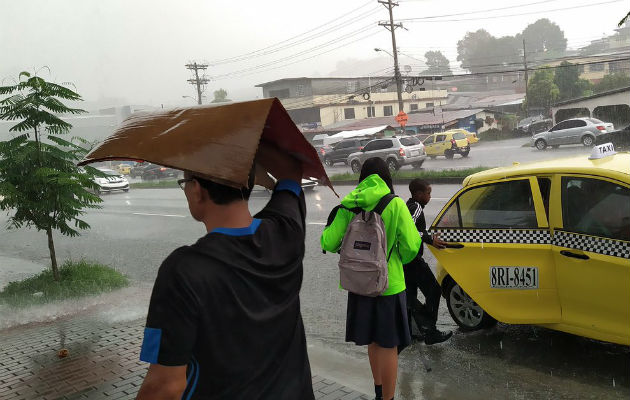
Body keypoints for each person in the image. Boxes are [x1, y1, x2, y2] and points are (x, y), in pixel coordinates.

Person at [136, 143, 314, 400]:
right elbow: (291, 171)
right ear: (249, 183)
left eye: (185, 182)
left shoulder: (182, 271)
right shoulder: (286, 232)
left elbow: (166, 386)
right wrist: (247, 141)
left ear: (197, 190)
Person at [321, 158, 420, 400]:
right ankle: (388, 398)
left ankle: (377, 392)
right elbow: (411, 247)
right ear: (387, 177)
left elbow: (328, 242)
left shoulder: (350, 203)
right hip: (390, 285)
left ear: (362, 178)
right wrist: (394, 259)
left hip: (359, 285)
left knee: (373, 341)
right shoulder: (395, 204)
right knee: (389, 344)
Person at [404, 179, 452, 345]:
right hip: (412, 260)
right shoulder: (416, 207)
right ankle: (429, 330)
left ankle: (413, 331)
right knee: (433, 290)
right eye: (428, 193)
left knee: (409, 295)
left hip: (405, 259)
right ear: (418, 194)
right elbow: (408, 228)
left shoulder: (410, 205)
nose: (430, 196)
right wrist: (430, 239)